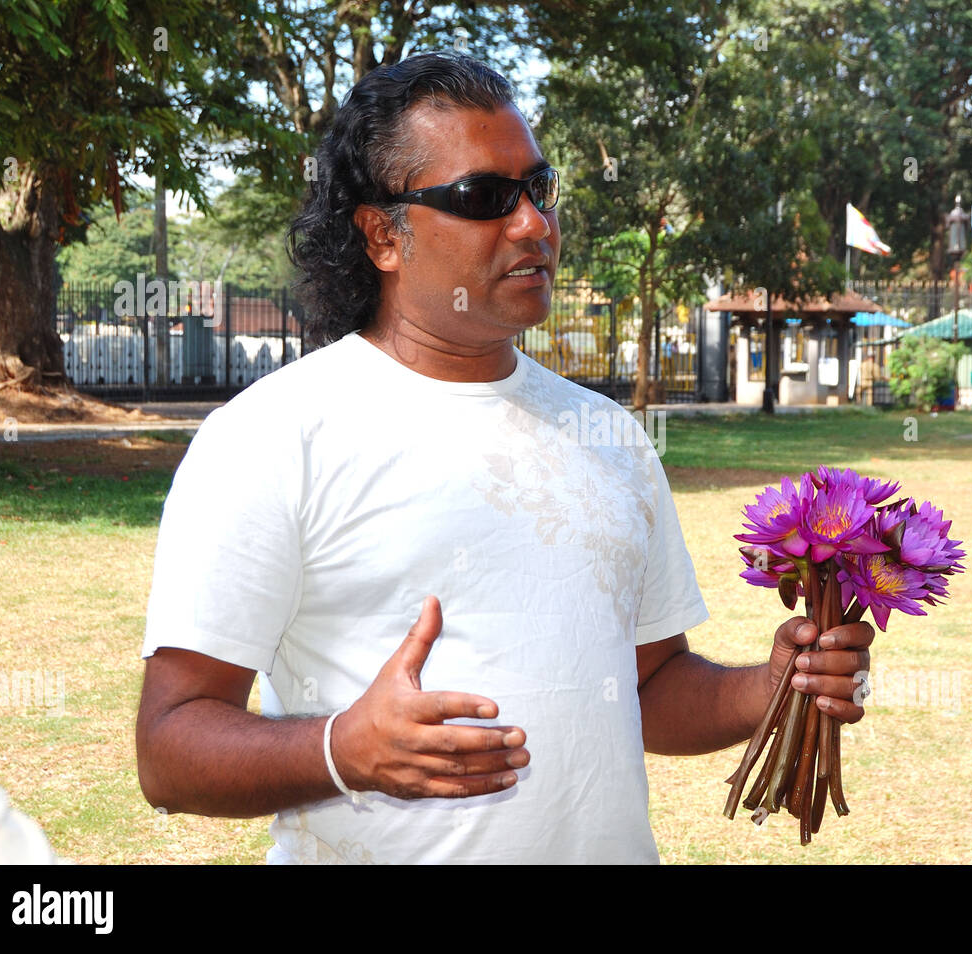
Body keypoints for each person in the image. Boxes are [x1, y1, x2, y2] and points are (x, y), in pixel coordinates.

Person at [134, 51, 873, 864]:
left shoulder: (609, 435)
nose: (533, 225)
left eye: (539, 190)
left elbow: (647, 688)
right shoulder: (274, 436)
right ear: (383, 234)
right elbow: (170, 748)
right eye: (484, 198)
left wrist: (765, 689)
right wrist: (343, 751)